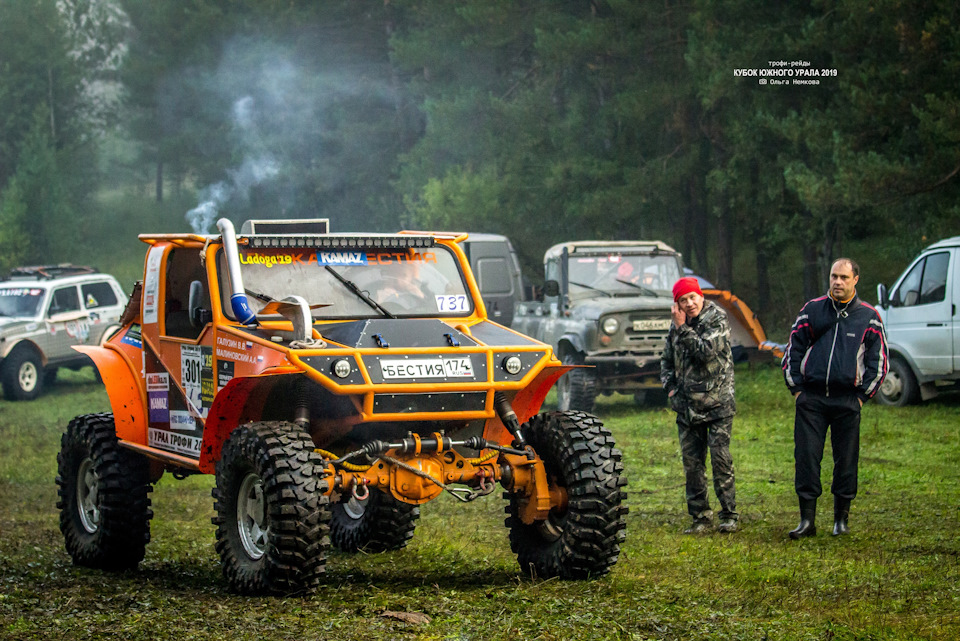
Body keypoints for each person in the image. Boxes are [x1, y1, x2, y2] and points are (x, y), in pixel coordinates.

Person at [782, 258, 888, 538]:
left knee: (846, 461)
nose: (837, 282)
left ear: (856, 280)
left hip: (847, 401)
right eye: (833, 276)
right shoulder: (812, 310)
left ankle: (841, 520)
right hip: (811, 400)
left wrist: (863, 397)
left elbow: (879, 362)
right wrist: (797, 390)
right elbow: (792, 349)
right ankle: (807, 521)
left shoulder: (869, 316)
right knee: (806, 458)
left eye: (843, 277)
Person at [660, 276, 738, 534]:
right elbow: (666, 360)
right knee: (692, 466)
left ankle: (729, 515)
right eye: (683, 300)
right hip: (686, 408)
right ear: (677, 304)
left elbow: (705, 352)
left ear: (701, 296)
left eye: (693, 297)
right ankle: (701, 518)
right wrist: (671, 389)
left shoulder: (717, 318)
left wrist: (682, 328)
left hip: (717, 404)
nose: (690, 303)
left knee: (720, 461)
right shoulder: (676, 326)